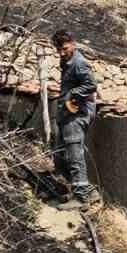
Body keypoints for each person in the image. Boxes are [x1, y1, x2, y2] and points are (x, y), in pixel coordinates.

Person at [51, 28, 97, 208]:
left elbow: (91, 85)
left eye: (65, 48)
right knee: (65, 155)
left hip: (77, 114)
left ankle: (81, 198)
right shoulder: (67, 61)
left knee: (74, 153)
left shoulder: (79, 63)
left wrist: (72, 95)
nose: (62, 53)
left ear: (73, 43)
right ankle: (89, 192)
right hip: (68, 114)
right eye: (59, 50)